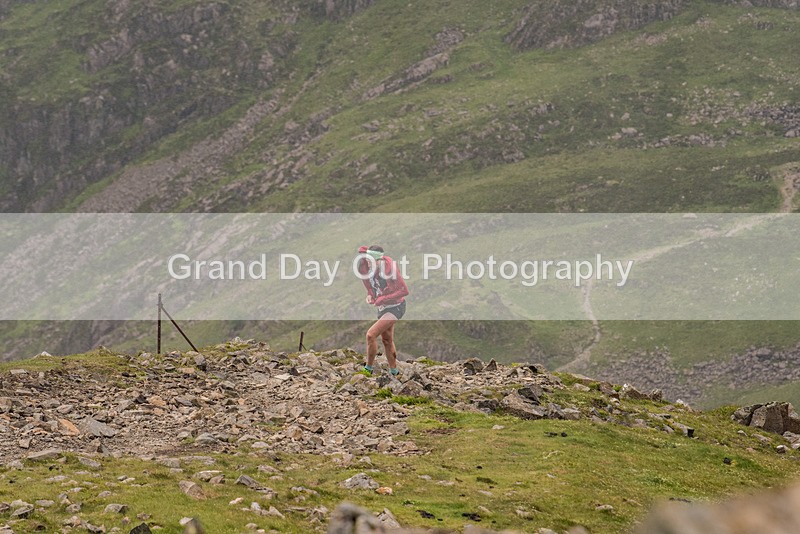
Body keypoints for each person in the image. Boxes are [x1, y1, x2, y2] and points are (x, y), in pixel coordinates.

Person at [356, 245, 409, 376]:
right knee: (387, 340)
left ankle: (368, 369)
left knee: (371, 334)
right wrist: (370, 295)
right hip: (383, 307)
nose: (367, 262)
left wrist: (383, 299)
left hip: (396, 307)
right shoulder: (370, 270)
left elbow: (404, 290)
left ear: (377, 259)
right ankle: (394, 372)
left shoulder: (389, 270)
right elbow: (372, 287)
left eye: (370, 259)